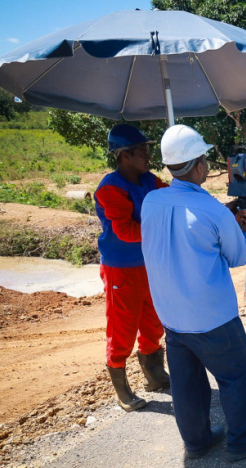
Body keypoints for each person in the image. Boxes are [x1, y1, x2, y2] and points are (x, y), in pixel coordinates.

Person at [141, 124, 246, 462]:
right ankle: (243, 443)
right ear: (199, 164)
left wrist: (225, 219)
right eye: (205, 159)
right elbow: (238, 256)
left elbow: (183, 234)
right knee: (237, 376)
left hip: (171, 315)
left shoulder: (152, 201)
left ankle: (198, 443)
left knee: (186, 385)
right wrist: (244, 229)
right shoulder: (213, 210)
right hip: (211, 316)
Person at [94, 124, 171, 413]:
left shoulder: (149, 181)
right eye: (142, 153)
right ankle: (122, 387)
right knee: (122, 327)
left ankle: (154, 374)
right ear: (124, 156)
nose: (148, 158)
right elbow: (125, 231)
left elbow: (171, 200)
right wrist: (163, 226)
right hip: (121, 268)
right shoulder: (110, 188)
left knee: (153, 319)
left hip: (149, 263)